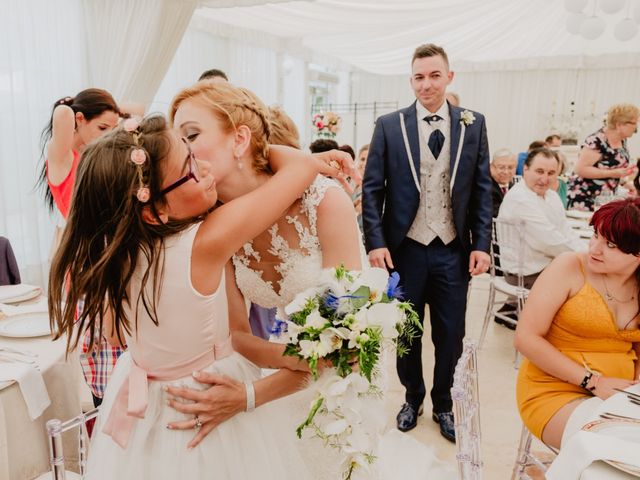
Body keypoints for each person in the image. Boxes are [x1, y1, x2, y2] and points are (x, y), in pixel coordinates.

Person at [166, 81, 455, 479]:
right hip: (283, 364)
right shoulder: (214, 225)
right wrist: (293, 362)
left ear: (240, 139)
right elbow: (237, 333)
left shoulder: (323, 199)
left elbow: (349, 332)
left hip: (346, 378)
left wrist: (251, 395)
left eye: (192, 135)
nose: (183, 151)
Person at [48, 112, 353, 479]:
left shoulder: (116, 252)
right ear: (155, 210)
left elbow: (116, 335)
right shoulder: (205, 240)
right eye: (191, 166)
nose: (207, 169)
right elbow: (300, 169)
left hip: (146, 406)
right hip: (208, 399)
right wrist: (252, 148)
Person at [362, 43, 492, 442]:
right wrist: (376, 242)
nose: (427, 84)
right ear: (411, 80)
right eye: (419, 77)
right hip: (406, 249)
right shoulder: (389, 125)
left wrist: (481, 244)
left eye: (435, 75)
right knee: (406, 332)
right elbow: (371, 190)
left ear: (449, 77)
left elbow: (482, 187)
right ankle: (411, 397)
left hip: (453, 250)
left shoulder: (473, 124)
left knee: (450, 334)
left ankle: (444, 404)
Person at [515, 197, 640, 449]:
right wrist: (593, 381)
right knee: (614, 444)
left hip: (620, 395)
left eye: (610, 244)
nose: (594, 248)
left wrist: (636, 387)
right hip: (553, 390)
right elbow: (525, 338)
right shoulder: (570, 266)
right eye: (595, 235)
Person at [38, 88, 128, 408]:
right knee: (103, 372)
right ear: (79, 119)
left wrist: (112, 119)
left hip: (115, 265)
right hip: (87, 273)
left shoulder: (98, 160)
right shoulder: (63, 159)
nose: (108, 136)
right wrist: (69, 105)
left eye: (112, 130)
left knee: (126, 363)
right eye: (102, 128)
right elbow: (61, 115)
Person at [498, 148, 586, 289]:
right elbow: (550, 243)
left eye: (551, 173)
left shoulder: (551, 195)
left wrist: (587, 251)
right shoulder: (520, 198)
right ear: (525, 169)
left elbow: (566, 231)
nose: (544, 179)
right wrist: (586, 258)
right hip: (526, 275)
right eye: (539, 171)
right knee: (592, 282)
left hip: (546, 267)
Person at [567, 103, 639, 211]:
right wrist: (614, 173)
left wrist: (624, 182)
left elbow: (611, 169)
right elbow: (580, 169)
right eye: (634, 123)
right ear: (619, 124)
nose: (636, 127)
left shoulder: (622, 140)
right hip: (585, 197)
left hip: (605, 197)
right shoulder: (597, 140)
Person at [489, 148, 517, 218]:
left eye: (510, 167)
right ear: (491, 167)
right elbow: (495, 214)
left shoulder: (516, 188)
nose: (506, 172)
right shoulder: (485, 188)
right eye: (501, 167)